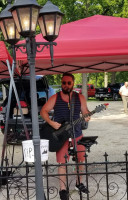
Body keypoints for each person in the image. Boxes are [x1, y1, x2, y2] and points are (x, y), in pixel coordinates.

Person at [40, 72, 90, 200]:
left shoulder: (80, 98)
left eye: (69, 83)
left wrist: (88, 115)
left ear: (73, 83)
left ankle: (79, 183)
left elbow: (85, 112)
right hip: (61, 135)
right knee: (62, 162)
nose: (66, 85)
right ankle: (63, 189)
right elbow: (43, 111)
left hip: (77, 133)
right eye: (64, 83)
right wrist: (51, 122)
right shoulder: (55, 97)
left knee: (81, 159)